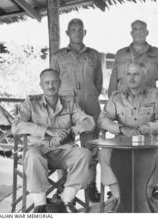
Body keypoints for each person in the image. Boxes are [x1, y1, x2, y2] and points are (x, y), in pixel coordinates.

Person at [12, 69, 95, 213]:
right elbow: (16, 126)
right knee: (31, 155)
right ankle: (40, 205)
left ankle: (67, 201)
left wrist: (70, 131)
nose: (50, 86)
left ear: (60, 83)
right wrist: (46, 130)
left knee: (85, 154)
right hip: (39, 151)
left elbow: (89, 122)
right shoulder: (31, 103)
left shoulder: (69, 103)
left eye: (54, 82)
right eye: (47, 83)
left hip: (65, 151)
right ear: (41, 85)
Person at [99, 62, 158, 211]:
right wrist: (121, 129)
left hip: (149, 143)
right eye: (129, 74)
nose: (131, 78)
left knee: (155, 156)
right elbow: (102, 119)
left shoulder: (155, 96)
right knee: (104, 152)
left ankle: (145, 197)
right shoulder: (117, 97)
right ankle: (119, 198)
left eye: (136, 74)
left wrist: (144, 128)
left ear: (144, 76)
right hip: (121, 143)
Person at [50, 18, 102, 202]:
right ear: (67, 33)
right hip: (65, 107)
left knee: (92, 147)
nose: (77, 32)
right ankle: (62, 188)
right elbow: (52, 83)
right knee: (64, 145)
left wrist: (88, 95)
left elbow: (98, 83)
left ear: (85, 32)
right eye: (73, 29)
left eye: (80, 29)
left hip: (89, 106)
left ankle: (90, 187)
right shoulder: (58, 57)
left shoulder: (94, 55)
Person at [108, 20, 158, 103]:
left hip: (149, 106)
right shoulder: (120, 54)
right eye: (135, 29)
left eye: (142, 29)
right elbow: (113, 83)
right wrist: (112, 105)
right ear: (131, 33)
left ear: (147, 33)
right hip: (124, 106)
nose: (138, 32)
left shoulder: (157, 54)